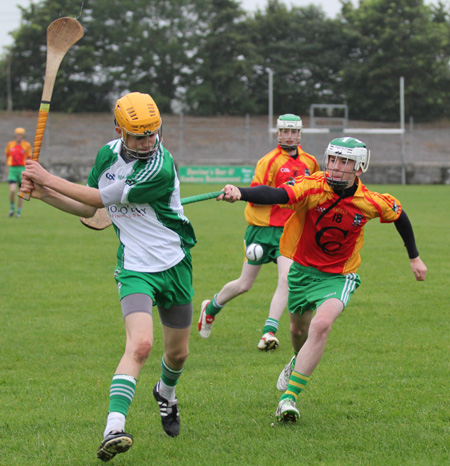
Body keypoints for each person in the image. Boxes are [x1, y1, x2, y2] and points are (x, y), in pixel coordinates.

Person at [20, 92, 197, 461]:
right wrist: (42, 195)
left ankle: (165, 393)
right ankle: (113, 428)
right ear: (120, 130)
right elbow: (88, 208)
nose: (148, 141)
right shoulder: (107, 155)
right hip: (134, 268)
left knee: (177, 354)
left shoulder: (160, 167)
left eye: (152, 132)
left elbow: (101, 200)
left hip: (174, 266)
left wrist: (47, 178)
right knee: (141, 344)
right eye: (139, 135)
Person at [217, 137, 427, 422]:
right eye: (333, 159)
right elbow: (277, 195)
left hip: (339, 276)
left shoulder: (369, 202)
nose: (336, 167)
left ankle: (288, 399)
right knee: (297, 332)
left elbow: (399, 215)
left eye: (345, 162)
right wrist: (241, 193)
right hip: (302, 273)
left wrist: (414, 257)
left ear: (360, 167)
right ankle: (297, 358)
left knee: (322, 324)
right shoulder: (313, 186)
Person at [198, 114, 319, 351]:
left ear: (300, 134)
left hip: (289, 231)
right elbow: (255, 195)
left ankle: (268, 332)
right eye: (285, 131)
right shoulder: (270, 161)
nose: (289, 136)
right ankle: (210, 309)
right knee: (244, 284)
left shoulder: (310, 162)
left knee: (286, 280)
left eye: (293, 132)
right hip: (261, 230)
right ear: (278, 133)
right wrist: (281, 196)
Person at [5, 127, 32, 217]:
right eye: (18, 134)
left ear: (23, 136)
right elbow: (7, 155)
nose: (19, 136)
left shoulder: (26, 145)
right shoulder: (10, 144)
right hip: (12, 169)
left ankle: (19, 212)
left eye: (21, 134)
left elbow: (29, 158)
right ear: (15, 135)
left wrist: (29, 170)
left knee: (21, 192)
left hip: (22, 169)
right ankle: (12, 208)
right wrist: (6, 167)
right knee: (12, 190)